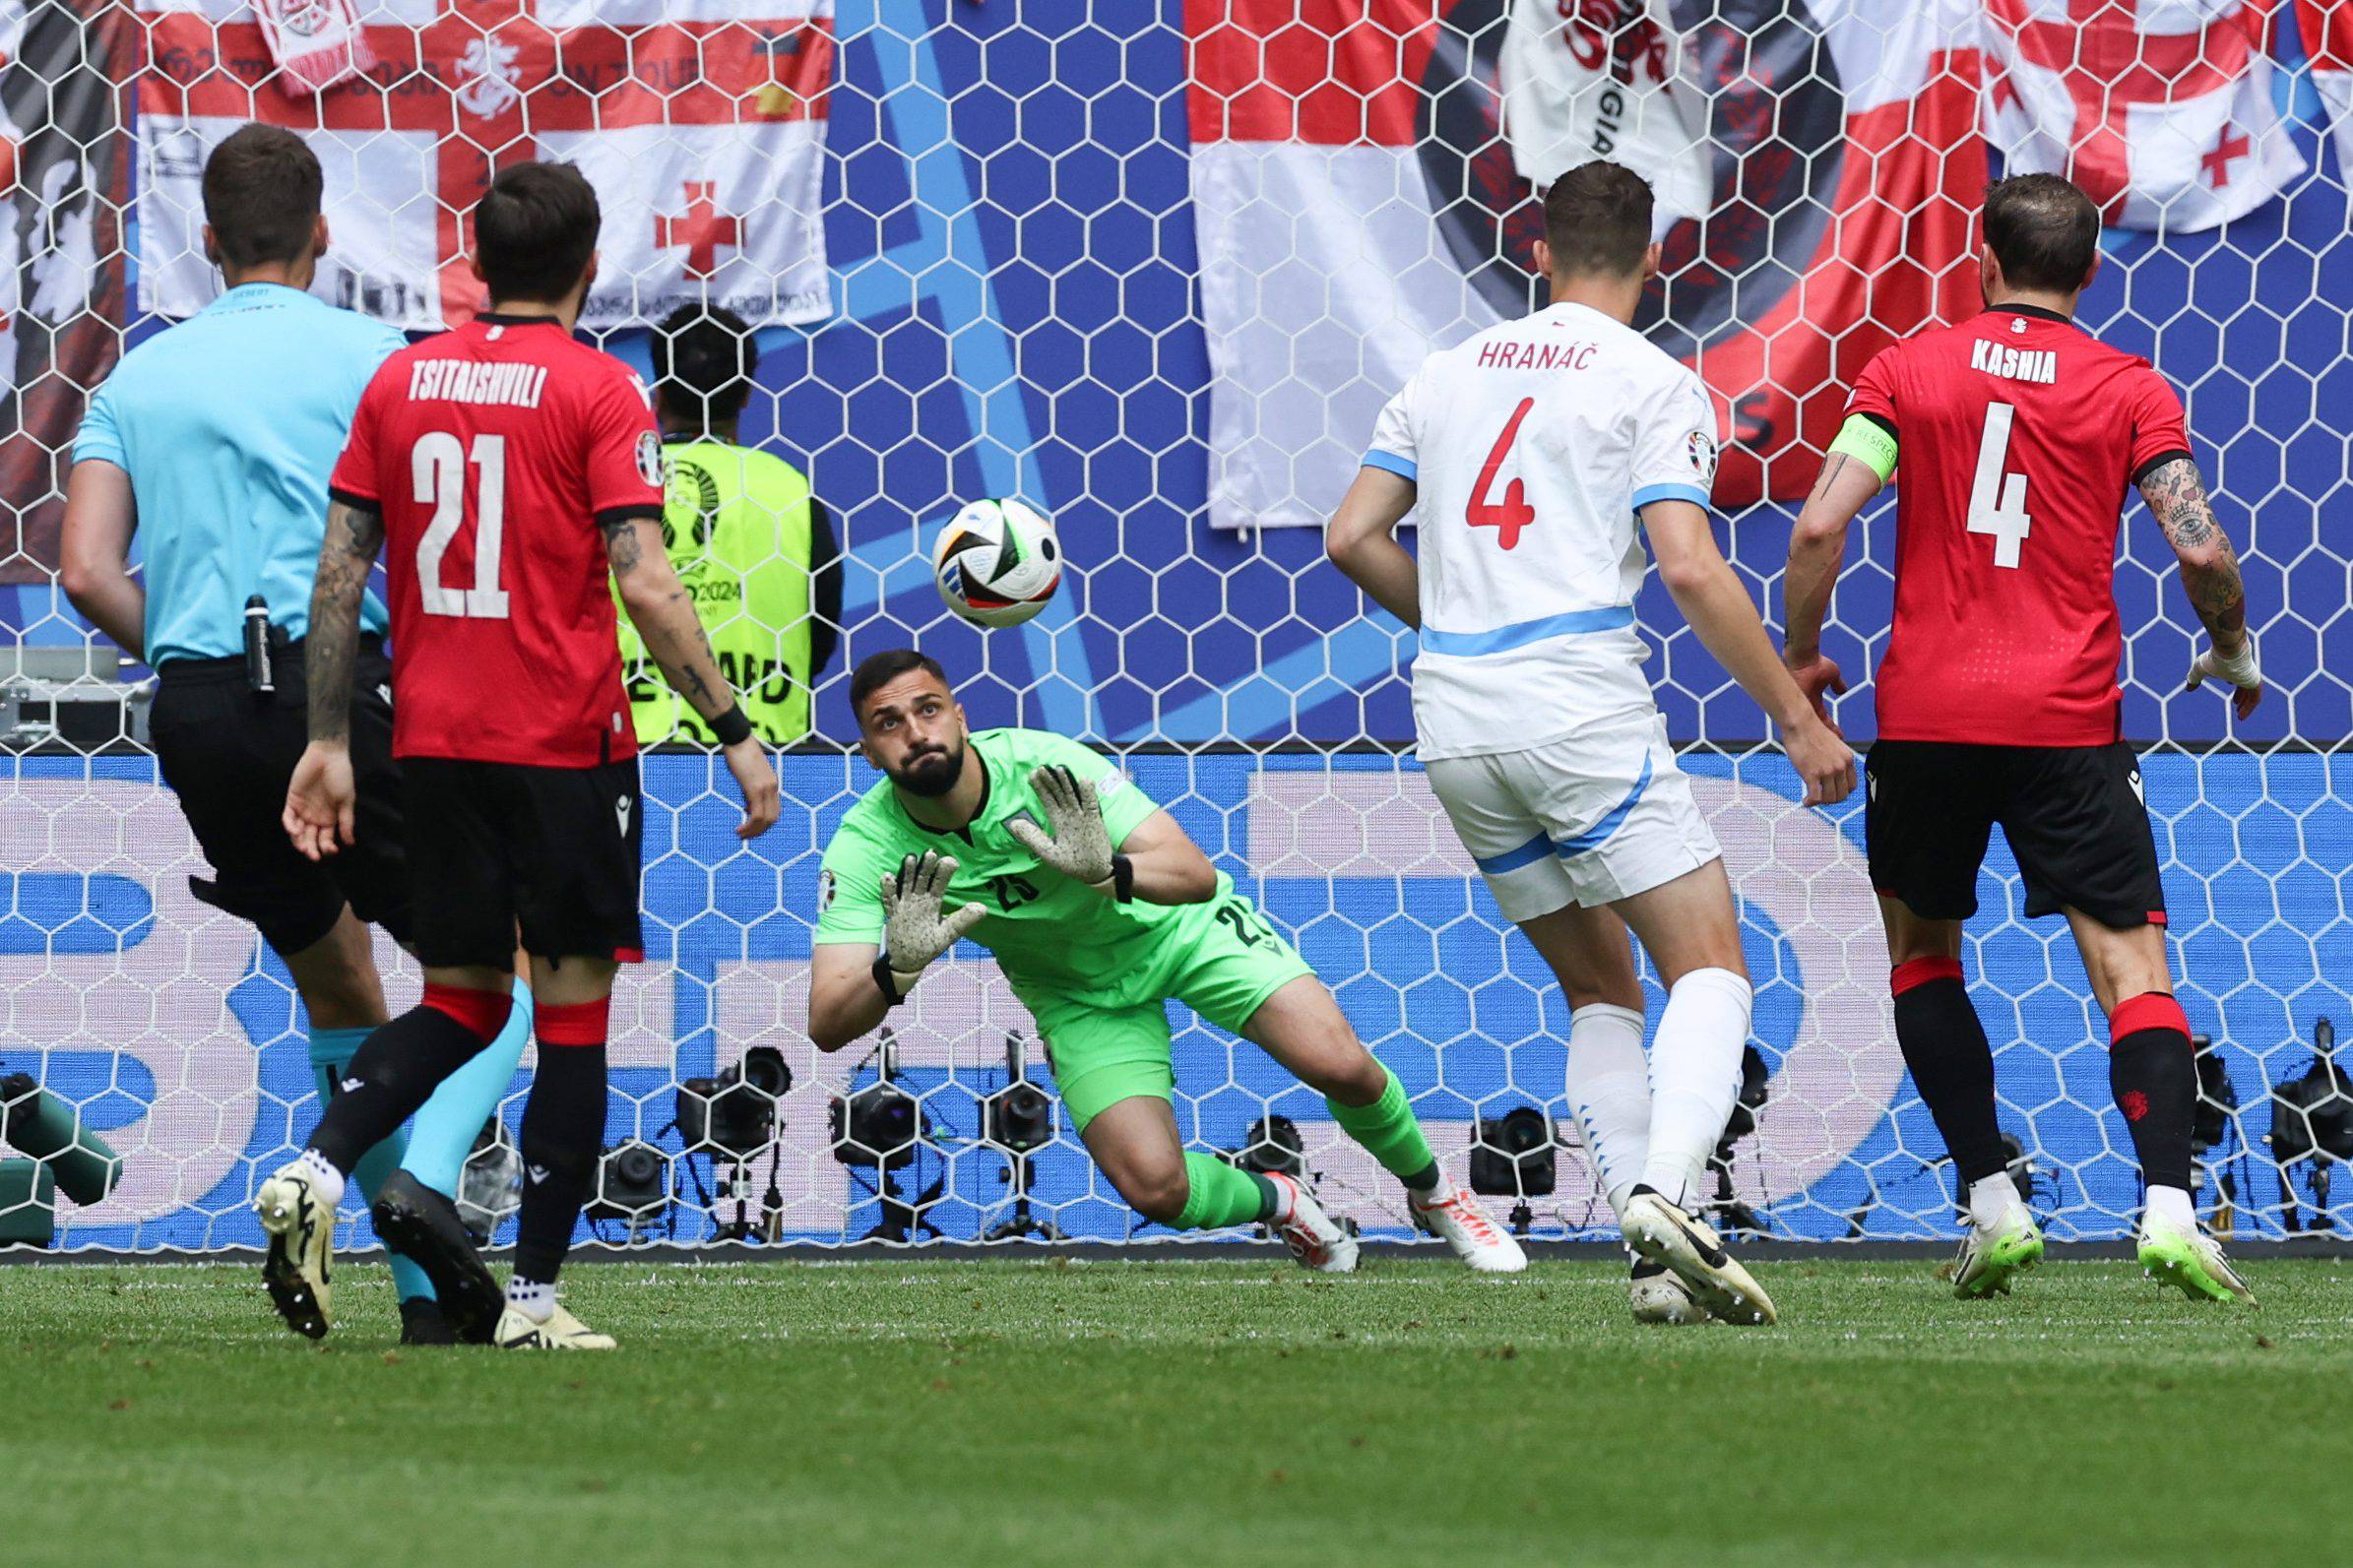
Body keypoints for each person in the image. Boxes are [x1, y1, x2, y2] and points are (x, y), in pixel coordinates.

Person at [256, 159, 781, 1350]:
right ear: (590, 267)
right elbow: (644, 579)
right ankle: (534, 1301)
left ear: (475, 263)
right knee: (572, 1022)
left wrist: (329, 739)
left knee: (455, 999)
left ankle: (322, 1168)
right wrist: (737, 734)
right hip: (562, 751)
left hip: (431, 745)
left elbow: (339, 572)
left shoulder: (399, 382)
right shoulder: (600, 392)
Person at [1325, 159, 1856, 1326]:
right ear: (1655, 259)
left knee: (1597, 988)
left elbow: (1352, 533)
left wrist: (1459, 621)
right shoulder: (1655, 381)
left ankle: (1651, 1269)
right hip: (1575, 706)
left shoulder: (1444, 371)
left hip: (1454, 716)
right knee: (1709, 965)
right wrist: (1792, 712)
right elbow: (1684, 563)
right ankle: (1666, 1196)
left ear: (1536, 253)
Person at [57, 124, 532, 1347]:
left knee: (337, 979)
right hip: (350, 694)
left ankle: (430, 1305)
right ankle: (421, 1177)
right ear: (323, 236)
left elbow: (83, 569)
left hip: (202, 709)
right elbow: (435, 550)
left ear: (208, 244)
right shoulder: (382, 359)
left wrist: (193, 642)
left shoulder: (135, 380)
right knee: (500, 970)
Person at [1782, 172, 2261, 1303]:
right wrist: (2231, 645)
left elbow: (1815, 524)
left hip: (1928, 723)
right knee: (2130, 971)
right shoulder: (2129, 387)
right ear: (2089, 272)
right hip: (2064, 724)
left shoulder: (1905, 371)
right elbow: (2198, 551)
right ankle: (2166, 1214)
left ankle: (1991, 1203)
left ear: (1978, 260)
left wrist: (1802, 666)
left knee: (1922, 958)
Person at [807, 649, 1524, 1275]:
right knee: (1156, 1188)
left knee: (1342, 1065)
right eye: (888, 722)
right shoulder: (866, 844)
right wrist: (894, 971)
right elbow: (828, 1023)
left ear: (960, 715)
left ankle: (1435, 1193)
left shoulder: (1045, 767)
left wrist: (1107, 871)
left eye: (928, 709)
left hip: (1180, 932)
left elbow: (1194, 874)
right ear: (869, 752)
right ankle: (1282, 1198)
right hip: (1077, 992)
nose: (915, 732)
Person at [618, 303, 841, 746]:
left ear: (658, 391)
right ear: (746, 394)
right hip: (771, 759)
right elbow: (819, 633)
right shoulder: (790, 490)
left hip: (633, 753)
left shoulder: (620, 481)